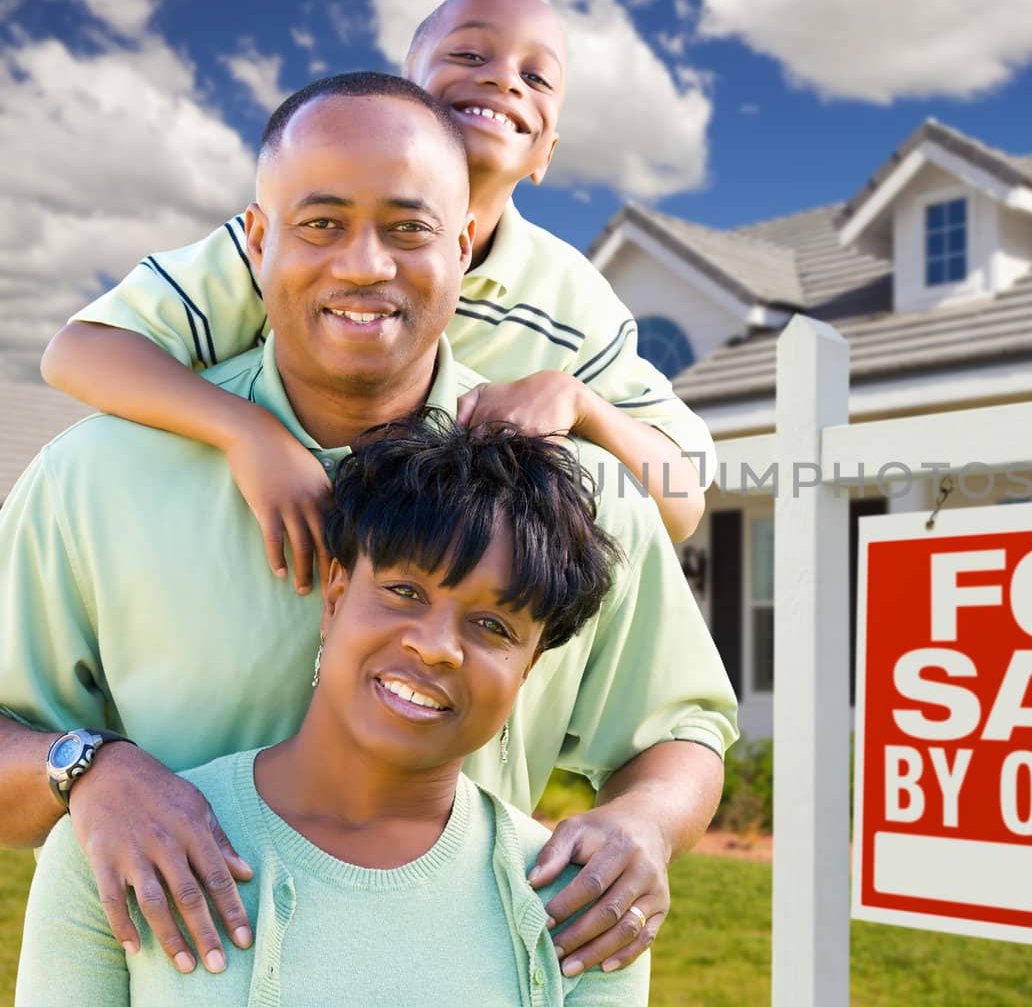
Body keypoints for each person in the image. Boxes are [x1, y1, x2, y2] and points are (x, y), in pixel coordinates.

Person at [0, 73, 735, 982]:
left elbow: (683, 725)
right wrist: (88, 770)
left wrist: (645, 824)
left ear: (463, 247)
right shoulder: (96, 478)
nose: (364, 265)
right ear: (258, 241)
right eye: (320, 224)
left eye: (408, 227)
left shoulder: (574, 497)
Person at [41, 0, 709, 591]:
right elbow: (80, 351)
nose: (504, 79)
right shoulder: (289, 246)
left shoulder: (572, 301)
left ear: (547, 156)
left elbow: (681, 501)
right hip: (243, 568)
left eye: (536, 76)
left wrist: (580, 403)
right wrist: (247, 433)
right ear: (400, 97)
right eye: (471, 53)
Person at [17, 414, 649, 1005]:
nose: (435, 647)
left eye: (492, 625)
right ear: (336, 597)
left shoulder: (585, 903)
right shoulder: (125, 844)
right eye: (405, 591)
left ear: (528, 670)